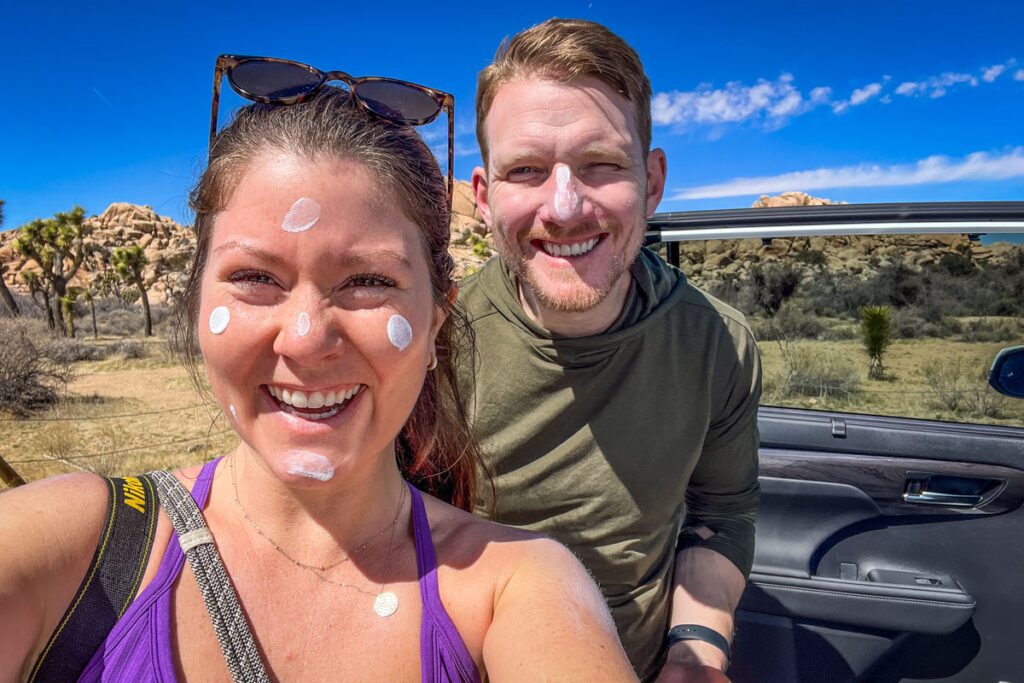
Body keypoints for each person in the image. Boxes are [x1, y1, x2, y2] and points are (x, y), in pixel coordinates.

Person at [0, 62, 638, 682]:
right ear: (197, 301)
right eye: (255, 278)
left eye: (368, 281)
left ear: (438, 317)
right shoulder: (73, 548)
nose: (305, 342)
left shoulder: (517, 587)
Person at [462, 19, 761, 682]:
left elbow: (721, 514)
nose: (565, 207)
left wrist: (695, 650)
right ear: (484, 197)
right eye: (527, 171)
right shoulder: (431, 346)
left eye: (601, 165)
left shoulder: (716, 344)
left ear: (652, 181)